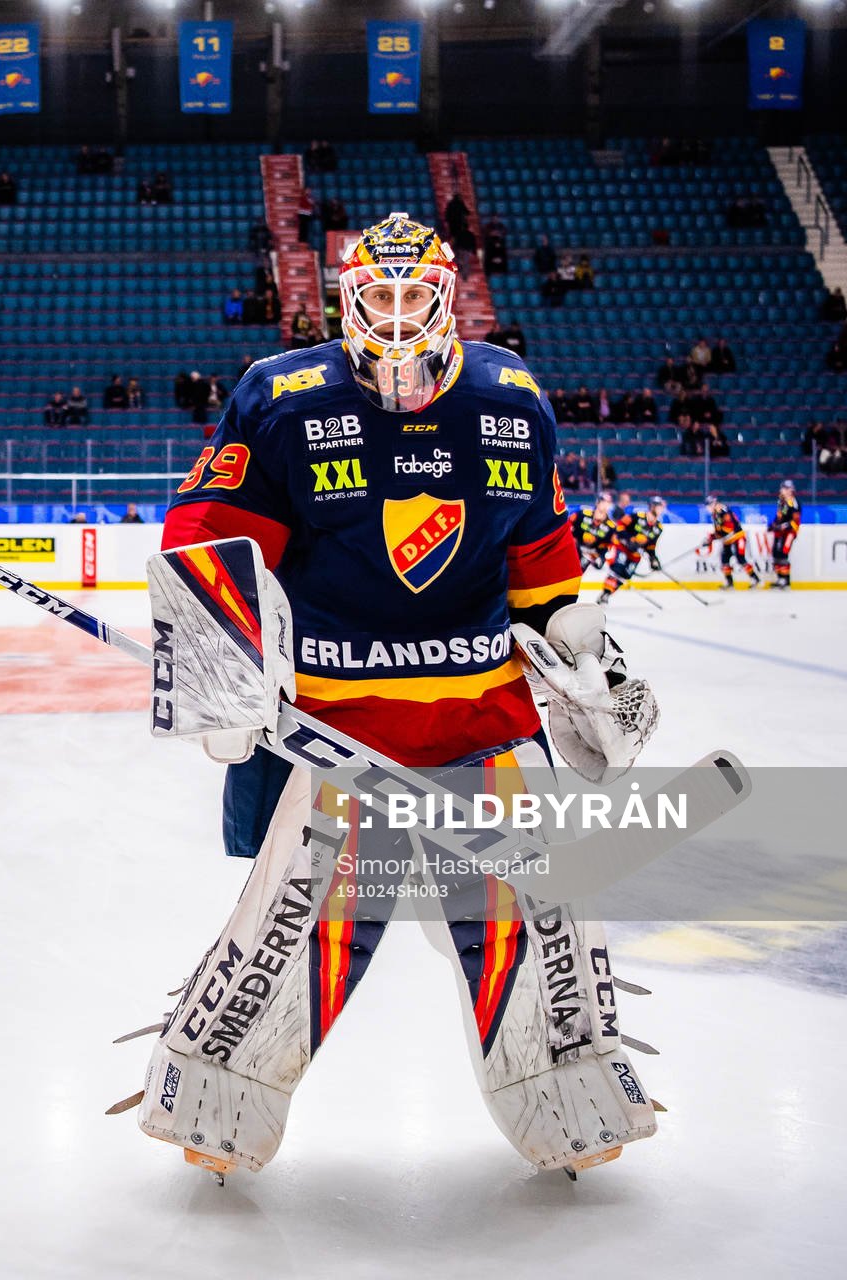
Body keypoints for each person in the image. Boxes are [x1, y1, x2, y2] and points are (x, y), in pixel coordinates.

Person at [142, 212, 661, 1182]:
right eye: (372, 296)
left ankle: (572, 1100)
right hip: (342, 733)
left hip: (487, 721)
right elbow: (206, 535)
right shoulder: (283, 395)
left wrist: (591, 670)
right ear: (345, 299)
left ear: (446, 295)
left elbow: (546, 574)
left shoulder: (513, 398)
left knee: (536, 927)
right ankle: (215, 1101)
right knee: (295, 931)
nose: (391, 315)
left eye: (409, 296)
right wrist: (222, 664)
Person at [599, 494, 666, 604]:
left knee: (626, 575)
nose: (661, 509)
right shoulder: (637, 516)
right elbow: (620, 526)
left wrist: (653, 559)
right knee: (618, 569)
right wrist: (630, 539)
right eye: (659, 506)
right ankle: (606, 593)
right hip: (623, 547)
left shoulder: (658, 528)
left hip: (635, 555)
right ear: (652, 507)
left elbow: (650, 546)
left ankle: (608, 593)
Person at [700, 495, 761, 590]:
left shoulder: (723, 511)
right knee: (724, 560)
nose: (707, 508)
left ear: (713, 504)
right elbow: (719, 531)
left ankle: (755, 579)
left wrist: (713, 538)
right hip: (727, 540)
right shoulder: (715, 514)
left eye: (708, 506)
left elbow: (728, 529)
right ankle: (729, 583)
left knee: (740, 559)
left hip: (737, 537)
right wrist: (711, 538)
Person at [766, 479, 800, 590]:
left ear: (791, 490)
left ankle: (785, 580)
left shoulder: (794, 503)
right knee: (776, 553)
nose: (783, 490)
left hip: (790, 532)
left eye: (786, 488)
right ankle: (780, 578)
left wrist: (782, 526)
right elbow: (779, 516)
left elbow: (795, 522)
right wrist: (773, 524)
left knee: (783, 553)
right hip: (779, 532)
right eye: (783, 488)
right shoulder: (781, 501)